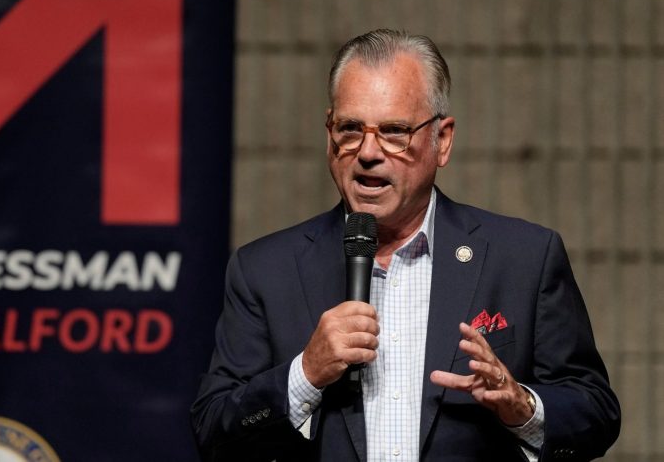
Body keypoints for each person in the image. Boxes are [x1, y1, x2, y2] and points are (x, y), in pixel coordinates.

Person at [191, 29, 620, 461]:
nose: (368, 152)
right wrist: (305, 374)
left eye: (395, 131)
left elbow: (596, 413)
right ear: (328, 134)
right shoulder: (265, 270)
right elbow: (213, 430)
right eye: (350, 129)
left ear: (442, 141)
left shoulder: (525, 258)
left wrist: (521, 406)